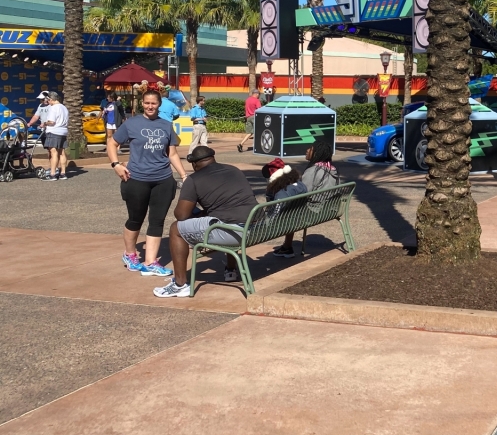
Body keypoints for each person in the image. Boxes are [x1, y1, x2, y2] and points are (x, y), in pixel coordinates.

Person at [152, 146, 259, 298]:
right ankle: (231, 270)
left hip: (236, 233)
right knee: (223, 217)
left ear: (194, 164)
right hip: (257, 227)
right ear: (212, 158)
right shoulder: (234, 170)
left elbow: (181, 215)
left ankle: (180, 285)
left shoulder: (193, 180)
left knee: (176, 229)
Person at [107, 89, 189, 277]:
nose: (150, 106)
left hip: (163, 180)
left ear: (159, 104)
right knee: (135, 219)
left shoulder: (166, 125)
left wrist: (184, 175)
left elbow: (172, 154)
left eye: (153, 103)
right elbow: (112, 143)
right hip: (136, 179)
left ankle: (150, 262)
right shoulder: (131, 124)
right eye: (147, 103)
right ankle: (130, 254)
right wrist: (116, 164)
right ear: (142, 104)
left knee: (157, 221)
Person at [272, 140, 341, 258]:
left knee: (289, 208)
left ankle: (287, 247)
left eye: (310, 148)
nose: (307, 150)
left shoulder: (313, 170)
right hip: (330, 210)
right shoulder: (333, 170)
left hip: (314, 211)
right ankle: (287, 247)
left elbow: (303, 192)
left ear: (317, 153)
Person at [42, 91, 69, 181]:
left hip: (54, 132)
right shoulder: (64, 107)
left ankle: (52, 174)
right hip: (63, 131)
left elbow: (52, 122)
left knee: (53, 152)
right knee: (62, 152)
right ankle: (63, 173)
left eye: (48, 100)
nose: (48, 102)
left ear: (51, 99)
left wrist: (45, 123)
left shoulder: (53, 108)